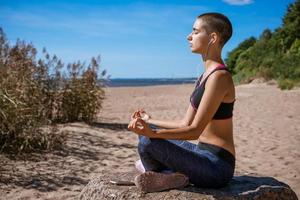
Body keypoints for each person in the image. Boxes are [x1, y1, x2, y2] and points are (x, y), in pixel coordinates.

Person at [128, 12, 236, 193]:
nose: (189, 36)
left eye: (195, 31)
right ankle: (170, 175)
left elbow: (194, 131)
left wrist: (152, 133)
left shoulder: (220, 77)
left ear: (213, 38)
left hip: (217, 167)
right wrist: (149, 121)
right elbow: (184, 124)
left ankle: (167, 174)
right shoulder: (204, 76)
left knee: (148, 141)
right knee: (145, 134)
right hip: (200, 154)